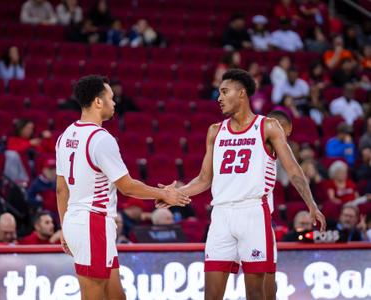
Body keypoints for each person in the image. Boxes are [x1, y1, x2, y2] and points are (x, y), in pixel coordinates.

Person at [156, 69, 325, 300]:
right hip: (221, 215)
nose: (219, 98)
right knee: (211, 295)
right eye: (219, 93)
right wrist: (175, 193)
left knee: (256, 293)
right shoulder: (215, 131)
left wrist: (312, 205)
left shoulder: (268, 126)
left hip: (253, 212)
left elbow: (294, 170)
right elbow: (204, 179)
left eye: (225, 92)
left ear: (242, 93)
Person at [55, 75, 190, 300]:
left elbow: (61, 189)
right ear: (98, 102)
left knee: (117, 296)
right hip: (92, 223)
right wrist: (165, 194)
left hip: (77, 221)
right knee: (94, 296)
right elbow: (127, 186)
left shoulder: (65, 135)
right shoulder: (100, 138)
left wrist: (64, 227)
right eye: (111, 97)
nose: (115, 102)